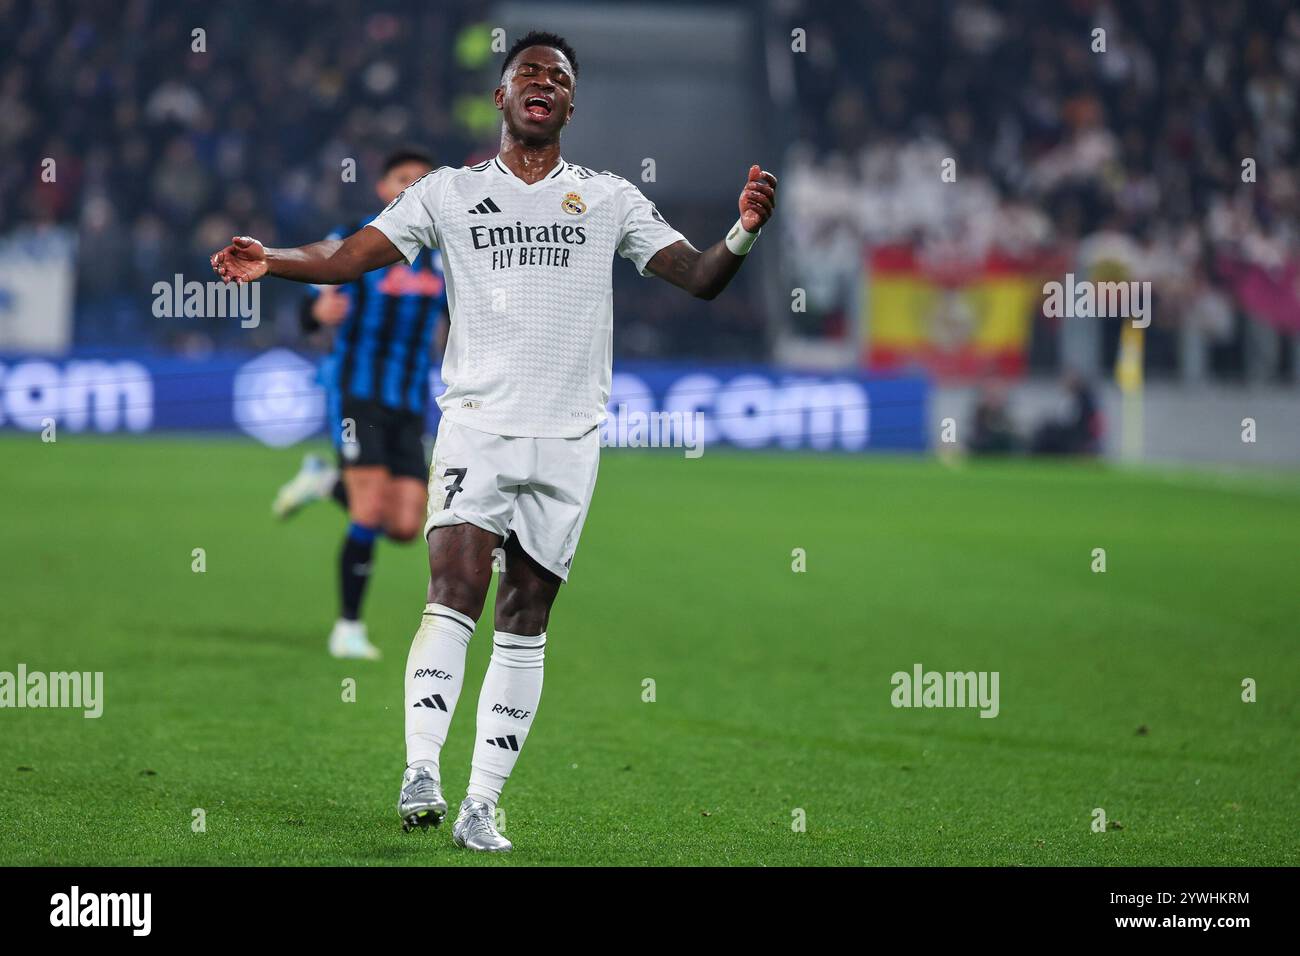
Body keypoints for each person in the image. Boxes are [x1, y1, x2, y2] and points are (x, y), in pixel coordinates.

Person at [211, 30, 777, 852]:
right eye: (527, 73)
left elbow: (699, 275)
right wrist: (276, 259)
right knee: (455, 586)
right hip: (477, 425)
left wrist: (747, 230)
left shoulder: (609, 198)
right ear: (504, 98)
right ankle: (421, 768)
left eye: (558, 76)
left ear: (571, 104)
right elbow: (349, 256)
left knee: (526, 615)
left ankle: (481, 802)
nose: (543, 82)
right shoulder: (447, 192)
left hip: (571, 440)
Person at [271, 149, 447, 662]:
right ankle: (347, 628)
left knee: (406, 525)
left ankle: (325, 482)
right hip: (356, 392)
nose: (413, 188)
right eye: (403, 179)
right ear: (382, 187)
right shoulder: (355, 236)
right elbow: (312, 294)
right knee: (369, 509)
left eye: (423, 181)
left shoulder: (447, 248)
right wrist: (313, 310)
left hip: (410, 399)